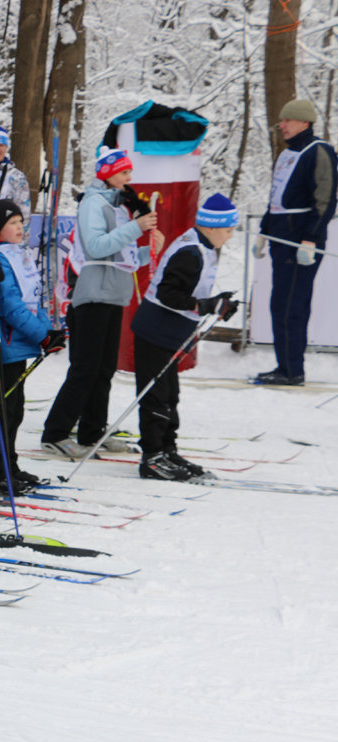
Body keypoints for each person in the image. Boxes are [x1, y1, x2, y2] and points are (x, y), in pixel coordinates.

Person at [41, 147, 162, 459]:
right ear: (108, 174)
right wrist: (137, 228)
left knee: (105, 368)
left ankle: (92, 429)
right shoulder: (94, 202)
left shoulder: (117, 205)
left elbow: (123, 257)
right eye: (124, 173)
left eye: (129, 172)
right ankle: (55, 432)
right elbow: (96, 247)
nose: (129, 178)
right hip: (93, 293)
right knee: (85, 367)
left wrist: (151, 249)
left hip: (113, 294)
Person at [131, 194, 239, 479]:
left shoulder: (202, 247)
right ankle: (152, 457)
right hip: (155, 331)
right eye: (229, 229)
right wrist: (205, 305)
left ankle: (167, 449)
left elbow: (192, 292)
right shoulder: (191, 252)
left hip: (169, 333)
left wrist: (218, 304)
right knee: (156, 396)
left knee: (170, 396)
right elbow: (169, 294)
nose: (230, 236)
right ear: (214, 227)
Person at [0, 199, 64, 494]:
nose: (19, 227)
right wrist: (43, 336)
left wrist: (47, 332)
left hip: (20, 343)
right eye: (12, 223)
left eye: (20, 222)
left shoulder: (20, 255)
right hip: (2, 342)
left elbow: (33, 300)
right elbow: (10, 306)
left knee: (15, 410)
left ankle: (9, 465)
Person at [253, 98, 337, 386]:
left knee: (292, 304)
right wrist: (264, 231)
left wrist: (310, 239)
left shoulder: (319, 151)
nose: (282, 126)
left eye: (287, 121)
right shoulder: (286, 154)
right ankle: (284, 364)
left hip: (300, 240)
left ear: (304, 121)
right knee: (280, 303)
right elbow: (277, 197)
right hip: (280, 236)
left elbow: (325, 198)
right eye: (281, 122)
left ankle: (292, 370)